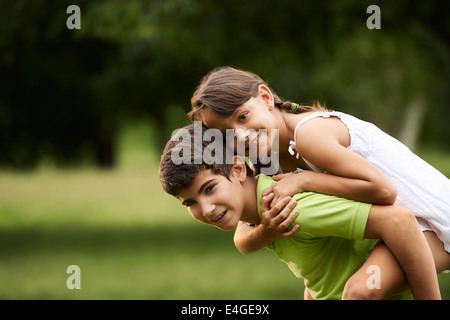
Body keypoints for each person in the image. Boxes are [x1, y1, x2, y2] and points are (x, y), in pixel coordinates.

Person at [188, 66, 450, 299]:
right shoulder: (268, 159)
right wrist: (267, 230)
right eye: (227, 135)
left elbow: (383, 191)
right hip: (401, 227)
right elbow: (242, 240)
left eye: (243, 117)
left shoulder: (308, 135)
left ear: (266, 98)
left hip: (435, 224)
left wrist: (304, 180)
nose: (242, 136)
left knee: (359, 290)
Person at [159, 123, 441, 300]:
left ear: (237, 168)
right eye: (190, 203)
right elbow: (320, 269)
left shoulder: (291, 208)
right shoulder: (263, 219)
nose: (206, 209)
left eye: (209, 188)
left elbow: (399, 220)